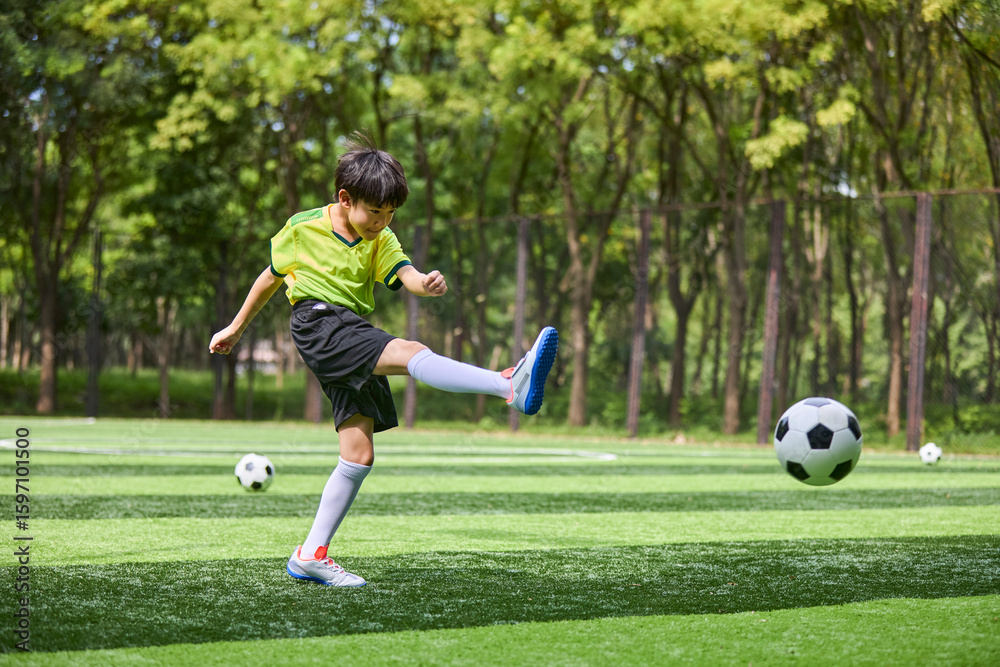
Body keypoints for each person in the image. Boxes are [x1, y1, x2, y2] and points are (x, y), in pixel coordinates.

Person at [208, 133, 558, 587]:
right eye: (375, 211)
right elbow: (270, 277)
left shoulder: (381, 237)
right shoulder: (302, 227)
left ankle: (310, 555)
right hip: (316, 322)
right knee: (409, 351)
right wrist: (236, 328)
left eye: (390, 213)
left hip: (348, 325)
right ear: (345, 198)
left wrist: (424, 283)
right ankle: (508, 384)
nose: (382, 221)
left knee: (359, 454)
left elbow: (405, 273)